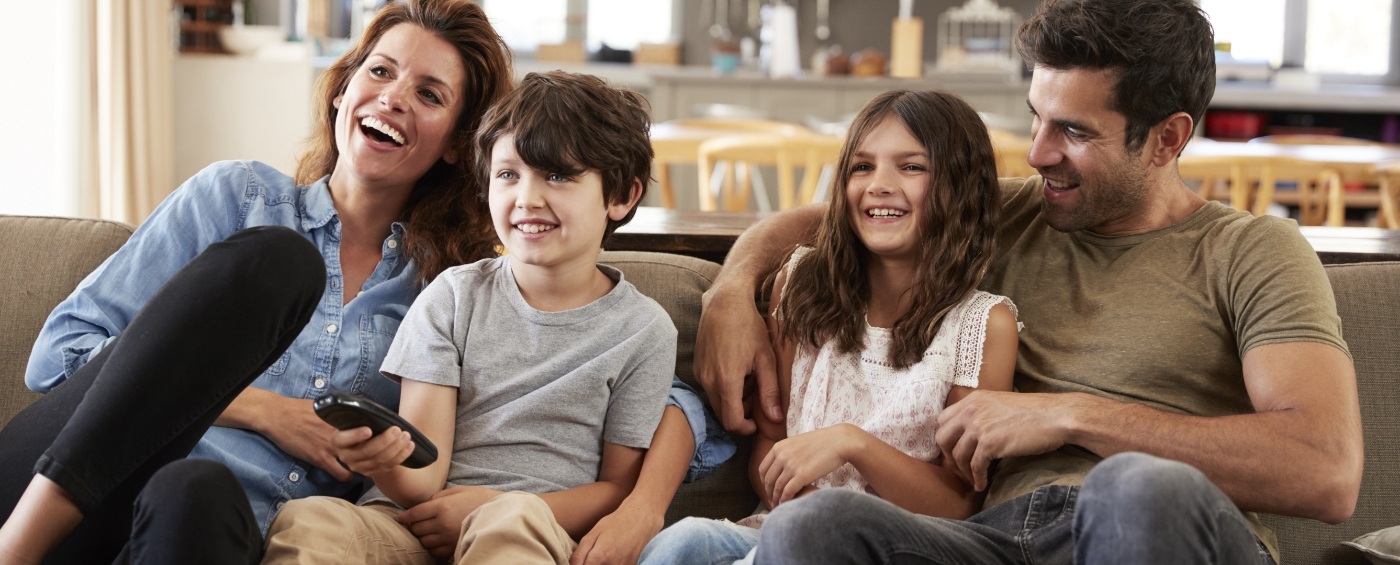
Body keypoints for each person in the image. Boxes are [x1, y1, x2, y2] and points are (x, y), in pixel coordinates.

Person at [693, 0, 1362, 563]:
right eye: (1037, 116)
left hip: (1159, 526)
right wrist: (734, 286)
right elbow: (831, 218)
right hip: (998, 537)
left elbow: (1327, 469)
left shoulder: (1251, 250)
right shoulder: (1014, 212)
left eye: (1072, 130)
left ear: (1166, 139)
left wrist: (1069, 413)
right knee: (815, 524)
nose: (1039, 151)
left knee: (1133, 487)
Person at [0, 1, 513, 563]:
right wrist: (265, 411)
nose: (393, 97)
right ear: (342, 90)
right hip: (76, 495)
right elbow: (58, 355)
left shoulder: (443, 292)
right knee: (282, 261)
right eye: (381, 71)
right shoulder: (238, 199)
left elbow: (435, 474)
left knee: (197, 492)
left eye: (429, 94)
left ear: (458, 145)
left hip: (208, 537)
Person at [261, 70, 677, 564]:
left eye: (558, 175)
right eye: (508, 174)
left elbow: (617, 489)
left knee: (510, 522)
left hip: (534, 528)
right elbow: (423, 474)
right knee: (312, 520)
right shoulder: (454, 295)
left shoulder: (644, 330)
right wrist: (383, 458)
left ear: (621, 196)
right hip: (413, 526)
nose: (527, 197)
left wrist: (495, 506)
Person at [639, 89, 1020, 565]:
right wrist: (800, 510)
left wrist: (852, 444)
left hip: (888, 550)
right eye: (862, 167)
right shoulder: (800, 285)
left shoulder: (984, 326)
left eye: (911, 166)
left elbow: (960, 504)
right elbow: (770, 448)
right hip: (777, 533)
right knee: (683, 541)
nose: (879, 184)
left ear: (962, 187)